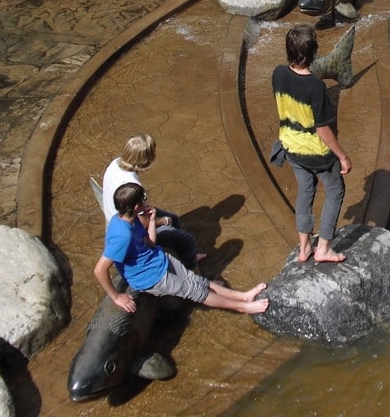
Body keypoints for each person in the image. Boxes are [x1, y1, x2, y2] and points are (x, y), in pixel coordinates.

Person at [93, 182, 269, 315]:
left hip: (159, 259)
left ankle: (243, 296)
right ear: (134, 206)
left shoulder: (133, 220)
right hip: (151, 277)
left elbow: (151, 244)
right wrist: (116, 296)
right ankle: (244, 307)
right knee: (196, 291)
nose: (146, 202)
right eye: (143, 200)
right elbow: (100, 269)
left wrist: (152, 221)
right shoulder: (122, 234)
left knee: (199, 280)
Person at [272, 25, 352, 263]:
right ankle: (324, 249)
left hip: (291, 147)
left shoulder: (277, 74)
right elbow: (323, 130)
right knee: (335, 190)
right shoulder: (316, 87)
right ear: (314, 53)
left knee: (305, 191)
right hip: (316, 152)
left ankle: (304, 247)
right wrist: (343, 156)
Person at [101, 133, 205, 270]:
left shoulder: (115, 163)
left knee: (174, 218)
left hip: (115, 215)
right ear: (145, 159)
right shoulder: (133, 186)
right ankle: (194, 272)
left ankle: (186, 256)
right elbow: (143, 222)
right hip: (130, 229)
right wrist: (163, 221)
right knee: (184, 238)